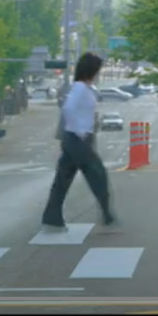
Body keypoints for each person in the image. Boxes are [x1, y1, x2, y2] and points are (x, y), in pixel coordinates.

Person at [41, 53, 118, 233]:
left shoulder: (83, 88)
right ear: (91, 70)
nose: (98, 73)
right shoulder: (81, 89)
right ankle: (107, 215)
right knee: (98, 175)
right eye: (97, 70)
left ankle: (52, 219)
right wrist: (80, 131)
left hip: (73, 139)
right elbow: (68, 108)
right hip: (78, 140)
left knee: (63, 180)